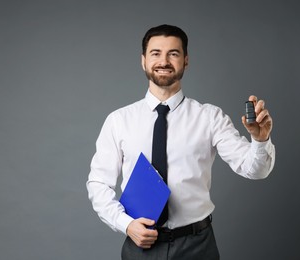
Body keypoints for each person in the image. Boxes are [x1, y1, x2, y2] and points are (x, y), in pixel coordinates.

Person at [87, 24, 275, 260]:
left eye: (173, 54)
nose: (163, 61)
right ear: (143, 60)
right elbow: (98, 184)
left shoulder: (210, 117)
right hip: (140, 245)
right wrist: (126, 224)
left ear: (186, 60)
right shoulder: (118, 121)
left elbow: (254, 170)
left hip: (197, 246)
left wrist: (260, 139)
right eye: (156, 53)